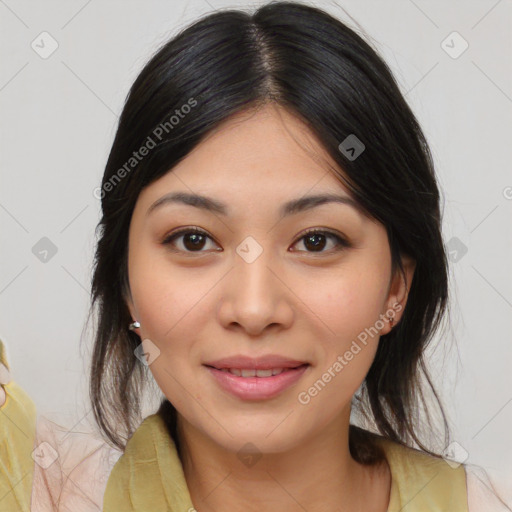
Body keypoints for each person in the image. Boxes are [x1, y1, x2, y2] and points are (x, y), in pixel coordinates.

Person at [0, 1, 509, 510]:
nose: (254, 309)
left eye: (316, 241)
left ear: (395, 287)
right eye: (193, 240)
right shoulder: (34, 488)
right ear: (126, 283)